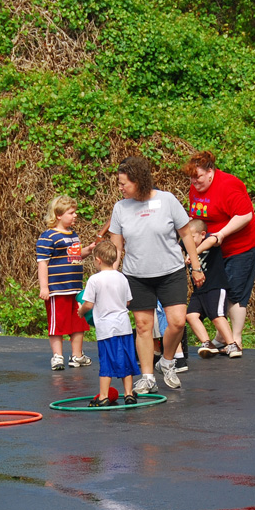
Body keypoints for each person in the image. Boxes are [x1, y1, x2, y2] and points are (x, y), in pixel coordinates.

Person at [107, 155, 205, 394]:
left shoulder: (167, 200)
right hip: (137, 275)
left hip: (171, 272)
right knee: (143, 326)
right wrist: (112, 274)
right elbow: (117, 248)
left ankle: (167, 361)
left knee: (178, 321)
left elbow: (185, 236)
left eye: (123, 183)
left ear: (138, 180)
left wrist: (195, 266)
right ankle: (148, 377)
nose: (120, 188)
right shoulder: (120, 208)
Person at [183, 151, 255, 355]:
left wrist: (220, 234)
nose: (194, 182)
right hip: (213, 250)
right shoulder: (196, 189)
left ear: (210, 172)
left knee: (236, 291)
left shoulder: (228, 185)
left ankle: (235, 337)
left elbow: (245, 215)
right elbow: (196, 218)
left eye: (198, 177)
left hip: (241, 246)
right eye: (191, 178)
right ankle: (221, 337)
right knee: (218, 290)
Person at [36, 195, 94, 370]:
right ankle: (57, 356)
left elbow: (74, 256)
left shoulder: (73, 235)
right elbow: (42, 263)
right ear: (59, 215)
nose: (75, 215)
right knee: (57, 323)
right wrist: (44, 287)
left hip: (74, 288)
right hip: (57, 289)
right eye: (71, 213)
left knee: (78, 323)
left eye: (75, 212)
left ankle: (76, 356)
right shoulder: (48, 236)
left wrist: (88, 250)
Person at [79, 240, 138, 406]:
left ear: (98, 259)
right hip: (124, 327)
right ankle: (128, 394)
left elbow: (89, 304)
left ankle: (104, 396)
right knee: (127, 359)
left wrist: (81, 312)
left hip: (106, 328)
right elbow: (127, 302)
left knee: (106, 360)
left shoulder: (94, 280)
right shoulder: (122, 278)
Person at [182, 219, 238, 358]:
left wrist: (194, 252)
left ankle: (232, 344)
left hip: (215, 286)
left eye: (193, 237)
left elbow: (213, 240)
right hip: (199, 290)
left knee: (217, 316)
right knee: (191, 315)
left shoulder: (210, 240)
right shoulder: (186, 245)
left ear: (202, 234)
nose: (190, 240)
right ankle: (207, 343)